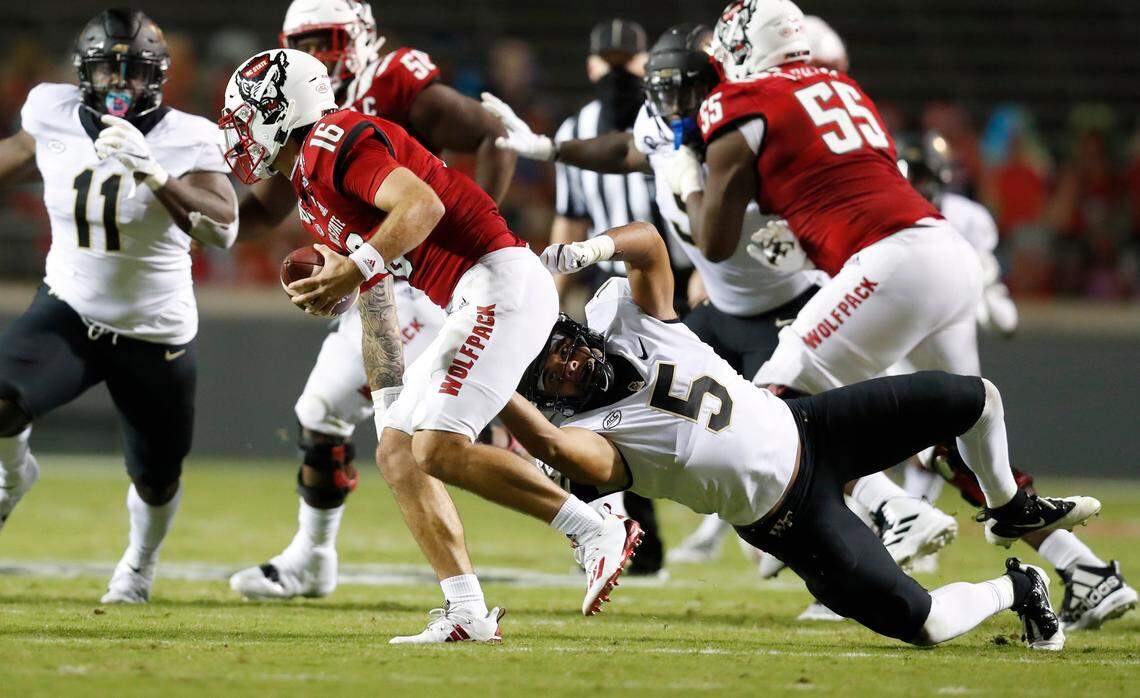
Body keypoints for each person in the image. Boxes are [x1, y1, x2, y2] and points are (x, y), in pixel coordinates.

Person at [485, 22, 957, 574]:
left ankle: (895, 507)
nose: (670, 104)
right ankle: (621, 536)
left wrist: (727, 209)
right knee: (651, 393)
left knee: (786, 425)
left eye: (684, 90)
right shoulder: (669, 122)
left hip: (781, 302)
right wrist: (551, 147)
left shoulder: (740, 124)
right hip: (726, 307)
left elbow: (719, 231)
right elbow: (630, 149)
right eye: (662, 91)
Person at [502, 219, 1101, 651]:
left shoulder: (637, 322)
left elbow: (650, 245)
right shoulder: (588, 435)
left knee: (976, 398)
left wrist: (592, 248)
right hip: (792, 521)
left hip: (817, 429)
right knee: (929, 625)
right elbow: (555, 450)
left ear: (571, 331)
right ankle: (1019, 589)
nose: (567, 364)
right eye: (551, 375)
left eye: (560, 349)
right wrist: (493, 386)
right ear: (550, 399)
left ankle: (1010, 507)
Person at [219, 49, 641, 643]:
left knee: (439, 447)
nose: (239, 127)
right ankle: (466, 610)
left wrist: (355, 263)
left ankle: (593, 527)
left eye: (247, 112)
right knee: (398, 451)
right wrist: (389, 391)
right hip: (471, 298)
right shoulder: (310, 191)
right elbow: (375, 298)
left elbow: (424, 204)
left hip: (499, 279)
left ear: (282, 108)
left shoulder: (334, 139)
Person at [229, 0, 516, 601]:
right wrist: (182, 212)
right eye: (302, 43)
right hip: (380, 280)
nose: (313, 56)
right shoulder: (299, 112)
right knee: (327, 413)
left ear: (356, 36)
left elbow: (494, 135)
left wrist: (466, 238)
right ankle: (311, 559)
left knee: (432, 433)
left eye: (324, 40)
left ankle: (592, 513)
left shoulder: (393, 81)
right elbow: (262, 210)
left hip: (422, 280)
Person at [0, 9, 238, 603]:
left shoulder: (190, 134)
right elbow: (22, 153)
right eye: (109, 69)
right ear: (85, 71)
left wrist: (155, 173)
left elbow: (225, 227)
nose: (120, 85)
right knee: (1, 401)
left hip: (154, 331)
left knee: (157, 479)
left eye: (134, 73)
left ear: (157, 77)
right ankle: (10, 477)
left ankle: (139, 564)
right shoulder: (51, 109)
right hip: (69, 308)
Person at [897, 133, 1137, 630]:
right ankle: (1086, 570)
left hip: (935, 367)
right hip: (922, 361)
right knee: (968, 473)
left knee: (964, 470)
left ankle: (880, 536)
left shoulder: (945, 225)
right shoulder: (916, 222)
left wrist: (989, 287)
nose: (924, 190)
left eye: (929, 181)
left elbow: (997, 313)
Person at [484, 18, 673, 576]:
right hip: (606, 293)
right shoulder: (578, 126)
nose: (617, 71)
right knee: (598, 410)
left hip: (670, 285)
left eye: (627, 60)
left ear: (645, 64)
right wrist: (547, 297)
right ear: (591, 66)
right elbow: (570, 221)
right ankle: (632, 537)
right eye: (608, 60)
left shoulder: (662, 122)